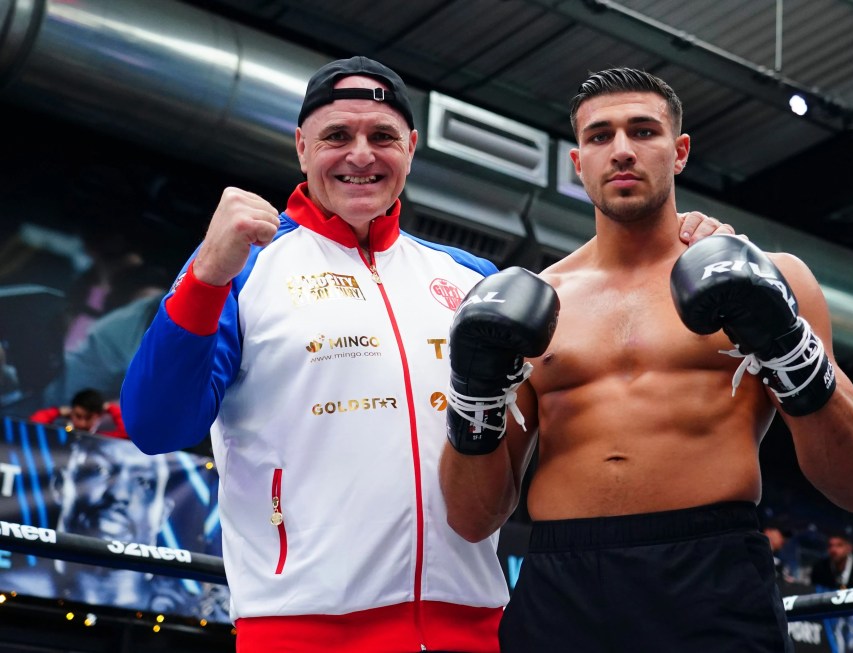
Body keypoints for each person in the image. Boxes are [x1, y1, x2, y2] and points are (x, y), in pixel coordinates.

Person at [119, 56, 733, 652]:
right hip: (303, 631)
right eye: (338, 135)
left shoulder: (471, 279)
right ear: (301, 146)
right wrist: (204, 276)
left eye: (381, 136)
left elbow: (586, 385)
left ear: (411, 147)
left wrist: (685, 241)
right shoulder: (244, 267)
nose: (361, 154)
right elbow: (155, 425)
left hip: (474, 629)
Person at [438, 67, 853, 652]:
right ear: (579, 163)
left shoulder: (772, 277)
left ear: (679, 153)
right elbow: (473, 519)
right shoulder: (537, 304)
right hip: (559, 583)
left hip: (711, 572)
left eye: (642, 131)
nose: (621, 151)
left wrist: (786, 345)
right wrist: (473, 395)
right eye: (600, 137)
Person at [0, 434, 188, 613]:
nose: (119, 494)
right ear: (60, 485)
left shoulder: (188, 608)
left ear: (162, 513)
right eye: (100, 470)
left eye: (143, 482)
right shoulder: (11, 584)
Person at [29, 387, 127, 438]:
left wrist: (109, 407)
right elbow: (32, 425)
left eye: (88, 418)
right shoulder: (58, 435)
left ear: (98, 416)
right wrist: (57, 412)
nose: (82, 423)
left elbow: (127, 432)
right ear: (71, 411)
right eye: (78, 416)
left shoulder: (103, 440)